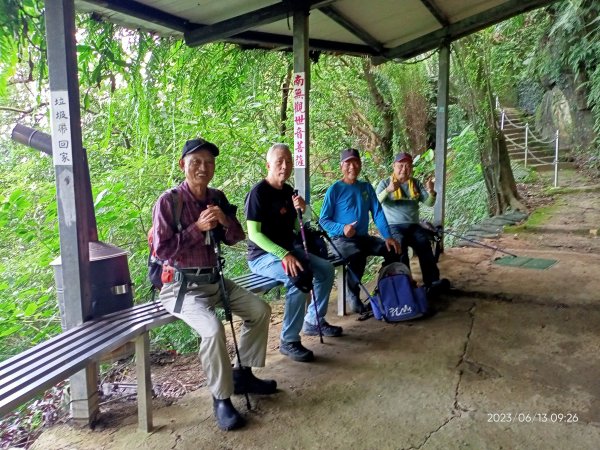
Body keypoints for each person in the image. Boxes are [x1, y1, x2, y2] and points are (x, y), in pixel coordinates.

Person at [153, 138, 276, 432]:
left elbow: (236, 238)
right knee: (212, 328)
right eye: (196, 162)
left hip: (214, 279)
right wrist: (198, 228)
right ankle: (221, 398)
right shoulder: (169, 202)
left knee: (259, 309)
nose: (203, 168)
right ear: (183, 165)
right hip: (181, 286)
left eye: (208, 162)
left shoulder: (217, 198)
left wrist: (224, 221)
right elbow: (162, 251)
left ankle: (242, 373)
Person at [245, 143, 341, 363]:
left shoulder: (289, 192)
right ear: (268, 164)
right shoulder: (257, 193)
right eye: (279, 161)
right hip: (262, 256)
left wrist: (302, 210)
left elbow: (296, 230)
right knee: (298, 277)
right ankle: (289, 340)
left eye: (288, 161)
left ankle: (313, 320)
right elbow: (254, 235)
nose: (284, 165)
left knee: (326, 269)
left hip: (290, 250)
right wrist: (283, 254)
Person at [319, 148, 401, 314]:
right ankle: (353, 295)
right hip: (341, 240)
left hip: (363, 237)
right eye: (348, 163)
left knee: (392, 249)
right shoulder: (334, 190)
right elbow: (323, 221)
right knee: (358, 256)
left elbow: (377, 212)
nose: (352, 167)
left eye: (355, 162)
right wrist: (342, 228)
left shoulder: (365, 187)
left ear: (360, 164)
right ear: (341, 166)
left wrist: (388, 237)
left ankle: (384, 288)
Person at [375, 152, 443, 288]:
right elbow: (375, 202)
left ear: (411, 168)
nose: (404, 169)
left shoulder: (415, 183)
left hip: (413, 225)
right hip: (393, 226)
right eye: (400, 166)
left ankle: (432, 282)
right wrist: (388, 190)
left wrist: (432, 192)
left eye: (407, 166)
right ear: (394, 166)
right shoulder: (385, 183)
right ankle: (405, 283)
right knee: (399, 247)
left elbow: (428, 203)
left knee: (424, 244)